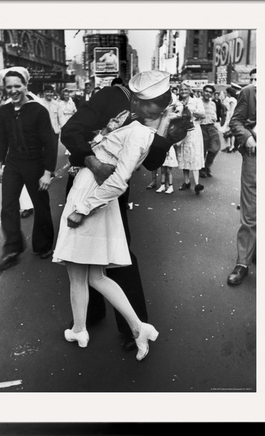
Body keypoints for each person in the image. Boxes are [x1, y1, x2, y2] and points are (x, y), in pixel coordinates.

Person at [61, 70, 186, 350]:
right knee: (81, 255)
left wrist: (164, 130)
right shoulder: (108, 97)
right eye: (155, 105)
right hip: (87, 178)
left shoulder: (160, 114)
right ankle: (86, 319)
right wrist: (93, 162)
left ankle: (133, 328)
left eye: (163, 105)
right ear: (139, 99)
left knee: (118, 255)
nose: (157, 111)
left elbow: (153, 163)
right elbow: (70, 131)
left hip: (112, 190)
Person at [0, 66, 56, 270]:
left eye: (17, 85)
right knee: (8, 206)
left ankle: (43, 245)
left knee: (41, 205)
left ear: (26, 86)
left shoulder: (38, 110)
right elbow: (2, 139)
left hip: (35, 163)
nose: (13, 90)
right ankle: (12, 249)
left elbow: (50, 142)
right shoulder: (5, 110)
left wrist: (47, 173)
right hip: (13, 163)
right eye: (9, 87)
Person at [227, 68, 257, 286]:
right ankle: (243, 262)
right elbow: (235, 121)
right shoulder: (249, 92)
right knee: (250, 212)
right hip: (255, 156)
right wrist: (246, 137)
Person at [175, 82, 206, 195]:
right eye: (181, 89)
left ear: (190, 90)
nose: (183, 91)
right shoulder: (177, 102)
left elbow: (203, 115)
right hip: (182, 131)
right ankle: (186, 182)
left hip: (194, 131)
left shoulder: (196, 101)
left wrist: (191, 110)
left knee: (195, 154)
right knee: (184, 154)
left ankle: (197, 183)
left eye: (185, 89)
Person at [199, 84, 221, 178]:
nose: (208, 93)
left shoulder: (213, 103)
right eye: (206, 91)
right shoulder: (197, 102)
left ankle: (207, 166)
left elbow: (215, 116)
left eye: (210, 92)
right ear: (203, 92)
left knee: (215, 148)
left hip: (211, 127)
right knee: (202, 150)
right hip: (201, 127)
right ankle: (202, 169)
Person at [220, 87, 238, 153]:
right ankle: (231, 146)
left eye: (227, 92)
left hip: (230, 116)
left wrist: (230, 119)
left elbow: (232, 110)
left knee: (231, 132)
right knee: (231, 132)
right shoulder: (233, 99)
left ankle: (232, 146)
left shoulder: (231, 100)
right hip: (230, 115)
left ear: (229, 93)